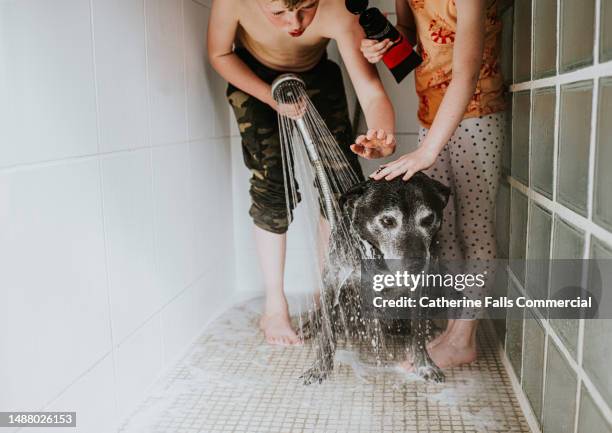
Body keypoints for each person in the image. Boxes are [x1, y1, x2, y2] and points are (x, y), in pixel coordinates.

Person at [208, 0, 397, 346]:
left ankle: (325, 295)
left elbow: (371, 93)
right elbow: (220, 54)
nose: (295, 23)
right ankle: (274, 306)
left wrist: (383, 135)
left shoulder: (339, 9)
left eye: (307, 7)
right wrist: (268, 96)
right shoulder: (232, 1)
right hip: (254, 77)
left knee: (341, 186)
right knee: (272, 185)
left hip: (317, 76)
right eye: (278, 12)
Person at [357, 0, 506, 369]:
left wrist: (426, 151)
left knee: (474, 226)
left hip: (478, 111)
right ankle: (455, 329)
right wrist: (383, 44)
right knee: (443, 230)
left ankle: (463, 337)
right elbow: (409, 36)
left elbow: (466, 73)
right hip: (431, 113)